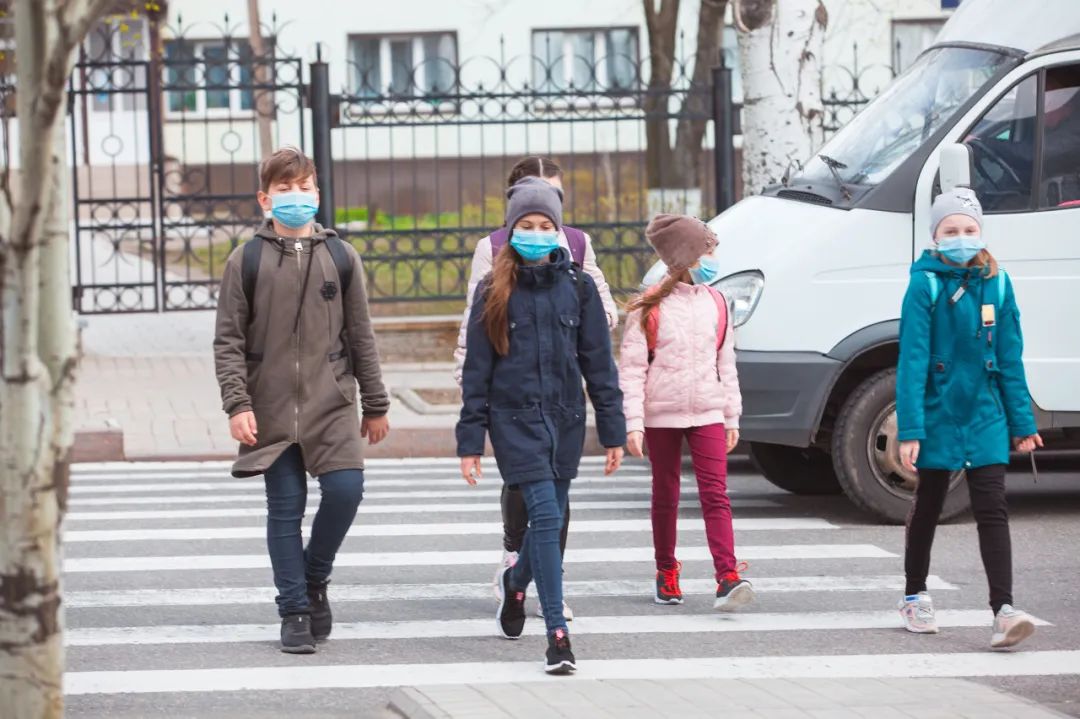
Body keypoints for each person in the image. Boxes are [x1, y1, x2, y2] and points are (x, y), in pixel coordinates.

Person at [213, 146, 390, 654]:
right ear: (265, 199)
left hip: (331, 401)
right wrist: (237, 404)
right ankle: (294, 610)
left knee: (346, 491)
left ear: (317, 193)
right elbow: (228, 341)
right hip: (268, 406)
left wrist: (375, 404)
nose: (296, 197)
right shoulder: (245, 260)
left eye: (304, 187)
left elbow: (361, 336)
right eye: (284, 190)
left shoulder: (340, 256)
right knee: (285, 508)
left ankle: (315, 576)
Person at [456, 176, 626, 674]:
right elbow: (476, 374)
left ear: (559, 230)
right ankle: (557, 635)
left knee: (547, 520)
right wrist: (471, 440)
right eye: (526, 225)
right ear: (510, 233)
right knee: (548, 520)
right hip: (515, 424)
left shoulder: (580, 287)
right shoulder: (493, 291)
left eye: (545, 224)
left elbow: (599, 363)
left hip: (566, 422)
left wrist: (612, 429)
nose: (536, 232)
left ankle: (515, 584)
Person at [896, 186, 1042, 649]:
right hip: (939, 410)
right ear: (936, 236)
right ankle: (914, 594)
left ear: (982, 233)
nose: (961, 237)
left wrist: (1023, 424)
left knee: (992, 508)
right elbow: (912, 360)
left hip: (985, 412)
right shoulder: (925, 283)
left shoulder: (998, 283)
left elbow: (1011, 357)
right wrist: (911, 429)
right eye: (951, 230)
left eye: (969, 229)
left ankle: (1004, 610)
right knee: (931, 505)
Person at [618, 214, 751, 611]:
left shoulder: (716, 302)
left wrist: (731, 415)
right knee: (666, 494)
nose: (714, 258)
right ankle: (666, 569)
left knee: (716, 494)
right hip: (662, 413)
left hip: (708, 410)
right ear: (688, 256)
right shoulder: (649, 307)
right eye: (708, 250)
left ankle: (727, 576)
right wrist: (634, 423)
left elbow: (726, 362)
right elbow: (632, 368)